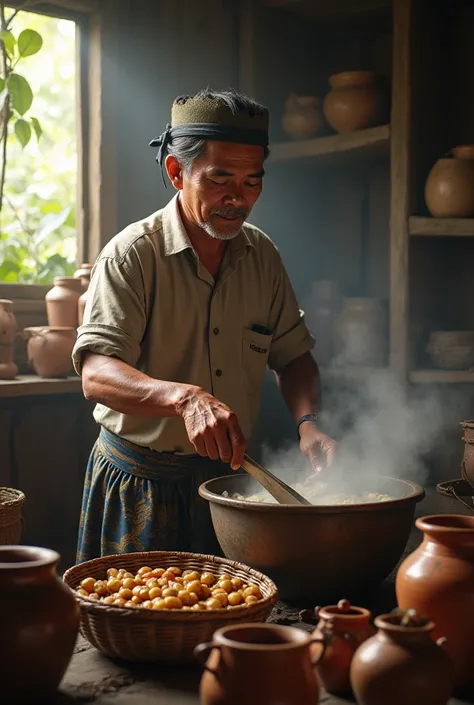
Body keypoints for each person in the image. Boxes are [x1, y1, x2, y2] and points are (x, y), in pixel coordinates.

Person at [72, 87, 336, 563]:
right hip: (140, 484)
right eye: (220, 180)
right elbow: (95, 373)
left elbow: (294, 357)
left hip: (226, 487)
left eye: (252, 183)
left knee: (227, 619)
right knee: (133, 625)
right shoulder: (133, 255)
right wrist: (184, 398)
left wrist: (308, 423)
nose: (238, 199)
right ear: (177, 172)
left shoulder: (263, 256)